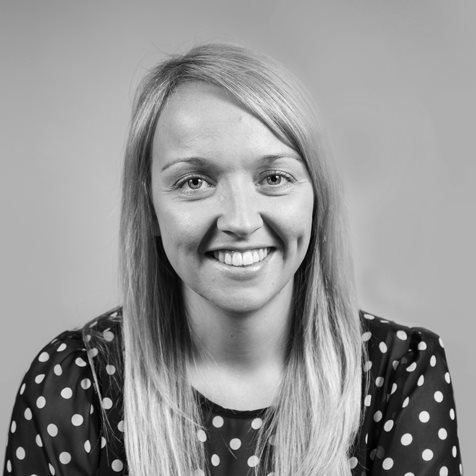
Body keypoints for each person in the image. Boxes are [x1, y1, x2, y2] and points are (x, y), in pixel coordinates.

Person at [3, 43, 462, 476]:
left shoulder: (400, 375)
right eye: (194, 182)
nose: (240, 221)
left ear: (316, 196)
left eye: (274, 177)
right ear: (150, 209)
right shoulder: (72, 385)